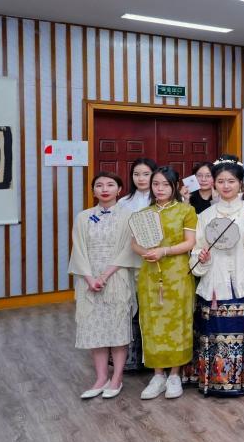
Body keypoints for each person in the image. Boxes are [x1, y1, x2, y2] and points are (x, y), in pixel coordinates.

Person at [188, 159, 244, 396]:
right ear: (214, 184)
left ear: (241, 183)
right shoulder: (206, 215)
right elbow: (197, 249)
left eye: (231, 181)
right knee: (216, 330)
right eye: (221, 181)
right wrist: (202, 257)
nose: (226, 186)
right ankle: (217, 382)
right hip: (216, 281)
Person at [130, 166, 198, 401]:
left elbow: (190, 242)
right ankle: (158, 375)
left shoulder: (186, 210)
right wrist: (145, 252)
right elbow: (134, 243)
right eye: (156, 184)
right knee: (152, 322)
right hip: (150, 274)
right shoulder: (144, 213)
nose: (159, 189)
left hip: (178, 274)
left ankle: (175, 375)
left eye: (165, 184)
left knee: (178, 321)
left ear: (175, 186)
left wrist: (164, 251)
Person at [69, 171, 138, 399]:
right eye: (99, 185)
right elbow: (78, 250)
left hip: (117, 277)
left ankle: (116, 378)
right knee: (93, 329)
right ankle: (101, 378)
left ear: (120, 190)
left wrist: (105, 275)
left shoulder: (129, 216)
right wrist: (90, 278)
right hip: (89, 280)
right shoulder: (83, 217)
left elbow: (129, 250)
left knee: (117, 329)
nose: (104, 189)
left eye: (110, 185)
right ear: (93, 190)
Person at [115, 157, 156, 371]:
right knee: (131, 308)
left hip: (154, 261)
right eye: (136, 174)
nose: (141, 178)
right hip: (130, 262)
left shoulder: (160, 200)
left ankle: (152, 358)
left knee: (151, 308)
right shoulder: (123, 202)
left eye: (146, 174)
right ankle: (132, 358)